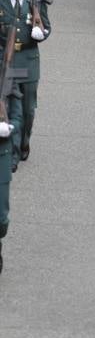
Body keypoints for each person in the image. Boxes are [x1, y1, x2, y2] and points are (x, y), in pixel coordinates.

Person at [0, 0, 51, 170]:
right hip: (8, 64)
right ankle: (10, 152)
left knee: (29, 110)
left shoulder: (35, 1)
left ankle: (23, 142)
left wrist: (41, 33)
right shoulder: (0, 2)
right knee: (11, 107)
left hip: (29, 62)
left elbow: (47, 26)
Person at [0, 83, 22, 274]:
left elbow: (17, 116)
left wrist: (9, 127)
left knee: (1, 219)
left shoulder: (7, 78)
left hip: (1, 154)